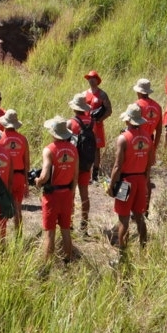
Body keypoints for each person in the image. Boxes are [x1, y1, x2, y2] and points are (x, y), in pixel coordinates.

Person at [107, 104, 153, 252]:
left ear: (128, 120)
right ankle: (143, 248)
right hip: (141, 180)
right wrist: (146, 181)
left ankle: (122, 253)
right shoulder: (147, 137)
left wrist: (111, 185)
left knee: (123, 219)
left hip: (125, 183)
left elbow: (117, 166)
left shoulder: (123, 138)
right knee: (139, 217)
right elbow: (150, 163)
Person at [35, 116, 79, 262]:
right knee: (66, 229)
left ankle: (47, 265)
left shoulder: (49, 150)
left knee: (50, 233)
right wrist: (72, 192)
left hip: (52, 195)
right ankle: (68, 260)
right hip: (67, 193)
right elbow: (75, 174)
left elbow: (45, 175)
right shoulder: (73, 149)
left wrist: (38, 181)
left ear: (53, 133)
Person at [67, 93, 94, 234]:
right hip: (87, 162)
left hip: (73, 164)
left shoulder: (71, 123)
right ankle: (84, 226)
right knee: (85, 195)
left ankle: (69, 224)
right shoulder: (91, 121)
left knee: (70, 194)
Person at [133, 78, 162, 214]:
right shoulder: (157, 106)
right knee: (147, 176)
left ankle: (135, 208)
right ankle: (146, 208)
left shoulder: (137, 105)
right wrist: (154, 148)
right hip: (150, 141)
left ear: (139, 92)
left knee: (133, 174)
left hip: (138, 142)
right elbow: (159, 130)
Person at [0, 109, 29, 231]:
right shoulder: (23, 139)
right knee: (18, 209)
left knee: (3, 208)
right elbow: (26, 163)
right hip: (19, 177)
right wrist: (26, 182)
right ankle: (18, 236)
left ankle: (2, 238)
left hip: (5, 178)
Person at [83, 70, 112, 182]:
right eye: (89, 78)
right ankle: (86, 173)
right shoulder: (84, 94)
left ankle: (95, 175)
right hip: (86, 126)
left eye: (93, 78)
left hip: (97, 126)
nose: (91, 80)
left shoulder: (102, 94)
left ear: (97, 80)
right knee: (86, 148)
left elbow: (109, 110)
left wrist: (100, 119)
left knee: (96, 149)